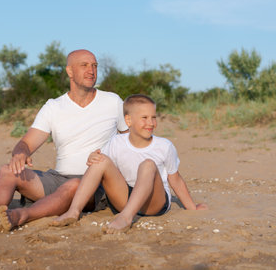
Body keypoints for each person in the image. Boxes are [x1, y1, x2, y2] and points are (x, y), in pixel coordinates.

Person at [0, 49, 128, 230]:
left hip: (94, 184)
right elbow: (26, 143)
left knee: (74, 185)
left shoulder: (113, 101)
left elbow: (130, 142)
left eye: (94, 65)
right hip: (57, 178)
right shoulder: (54, 107)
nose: (91, 70)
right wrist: (20, 154)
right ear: (70, 71)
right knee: (9, 171)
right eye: (84, 65)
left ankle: (23, 215)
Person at [52, 94, 208, 233]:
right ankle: (73, 211)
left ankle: (126, 218)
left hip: (154, 202)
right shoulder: (116, 142)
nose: (151, 123)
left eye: (153, 117)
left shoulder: (164, 146)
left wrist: (192, 208)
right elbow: (99, 166)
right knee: (100, 160)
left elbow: (176, 180)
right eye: (144, 118)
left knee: (148, 164)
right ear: (128, 120)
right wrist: (93, 157)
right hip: (124, 198)